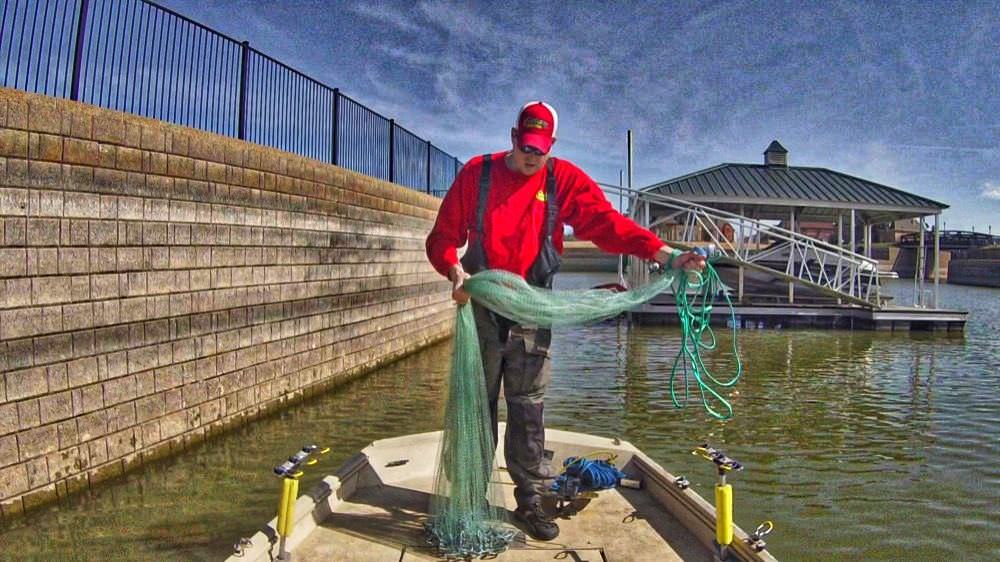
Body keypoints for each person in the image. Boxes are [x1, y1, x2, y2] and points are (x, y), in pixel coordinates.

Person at [425, 101, 704, 541]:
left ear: (551, 145)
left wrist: (666, 254)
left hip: (533, 310)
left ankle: (531, 500)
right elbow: (442, 237)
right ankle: (470, 498)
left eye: (540, 149)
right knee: (476, 404)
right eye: (525, 146)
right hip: (481, 309)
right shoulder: (478, 174)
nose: (531, 156)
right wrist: (453, 271)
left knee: (528, 407)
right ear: (513, 137)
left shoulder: (562, 179)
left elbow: (608, 225)